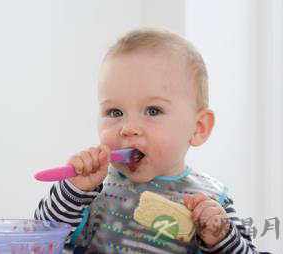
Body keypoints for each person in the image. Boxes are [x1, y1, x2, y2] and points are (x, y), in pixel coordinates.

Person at [34, 28, 261, 253]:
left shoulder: (212, 201)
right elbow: (41, 238)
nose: (128, 128)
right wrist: (73, 190)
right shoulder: (92, 191)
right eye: (114, 112)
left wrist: (220, 237)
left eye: (153, 111)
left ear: (198, 127)